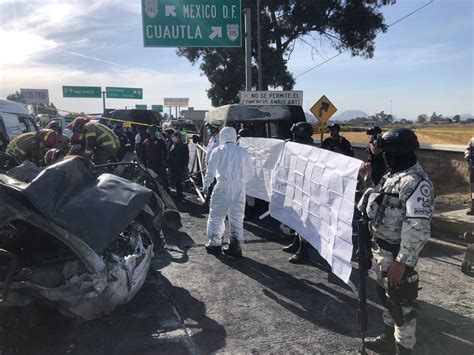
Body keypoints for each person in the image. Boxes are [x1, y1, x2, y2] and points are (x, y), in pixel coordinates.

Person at [358, 128, 434, 355]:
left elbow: (418, 227)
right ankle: (388, 340)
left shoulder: (416, 183)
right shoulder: (392, 176)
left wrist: (402, 262)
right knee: (386, 298)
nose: (383, 156)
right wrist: (368, 181)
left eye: (386, 152)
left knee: (402, 307)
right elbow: (368, 207)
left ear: (397, 152)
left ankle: (404, 349)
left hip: (396, 255)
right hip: (381, 251)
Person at [202, 127, 253, 257]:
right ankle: (236, 247)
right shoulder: (243, 152)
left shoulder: (217, 151)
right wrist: (241, 182)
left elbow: (210, 171)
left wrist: (206, 185)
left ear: (222, 137)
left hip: (223, 186)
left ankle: (215, 244)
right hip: (239, 188)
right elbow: (250, 173)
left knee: (217, 216)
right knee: (237, 218)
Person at [281, 122, 314, 263]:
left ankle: (304, 250)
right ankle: (296, 242)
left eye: (295, 133)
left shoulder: (308, 150)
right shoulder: (296, 146)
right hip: (296, 186)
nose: (292, 135)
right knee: (295, 217)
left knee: (304, 219)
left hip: (305, 190)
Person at [143, 125, 169, 190]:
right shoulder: (145, 142)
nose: (149, 132)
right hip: (150, 163)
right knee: (151, 179)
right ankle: (153, 192)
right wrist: (143, 163)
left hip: (159, 162)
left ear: (154, 132)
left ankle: (166, 190)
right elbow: (142, 153)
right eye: (149, 131)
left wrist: (165, 160)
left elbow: (165, 151)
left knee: (163, 178)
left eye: (151, 131)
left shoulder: (160, 141)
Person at [168, 132, 189, 199]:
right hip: (173, 165)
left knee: (178, 181)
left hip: (179, 166)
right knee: (175, 181)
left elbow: (186, 157)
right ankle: (178, 193)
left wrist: (185, 166)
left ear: (178, 138)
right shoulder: (173, 145)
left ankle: (179, 195)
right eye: (173, 137)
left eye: (175, 137)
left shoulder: (183, 146)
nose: (174, 139)